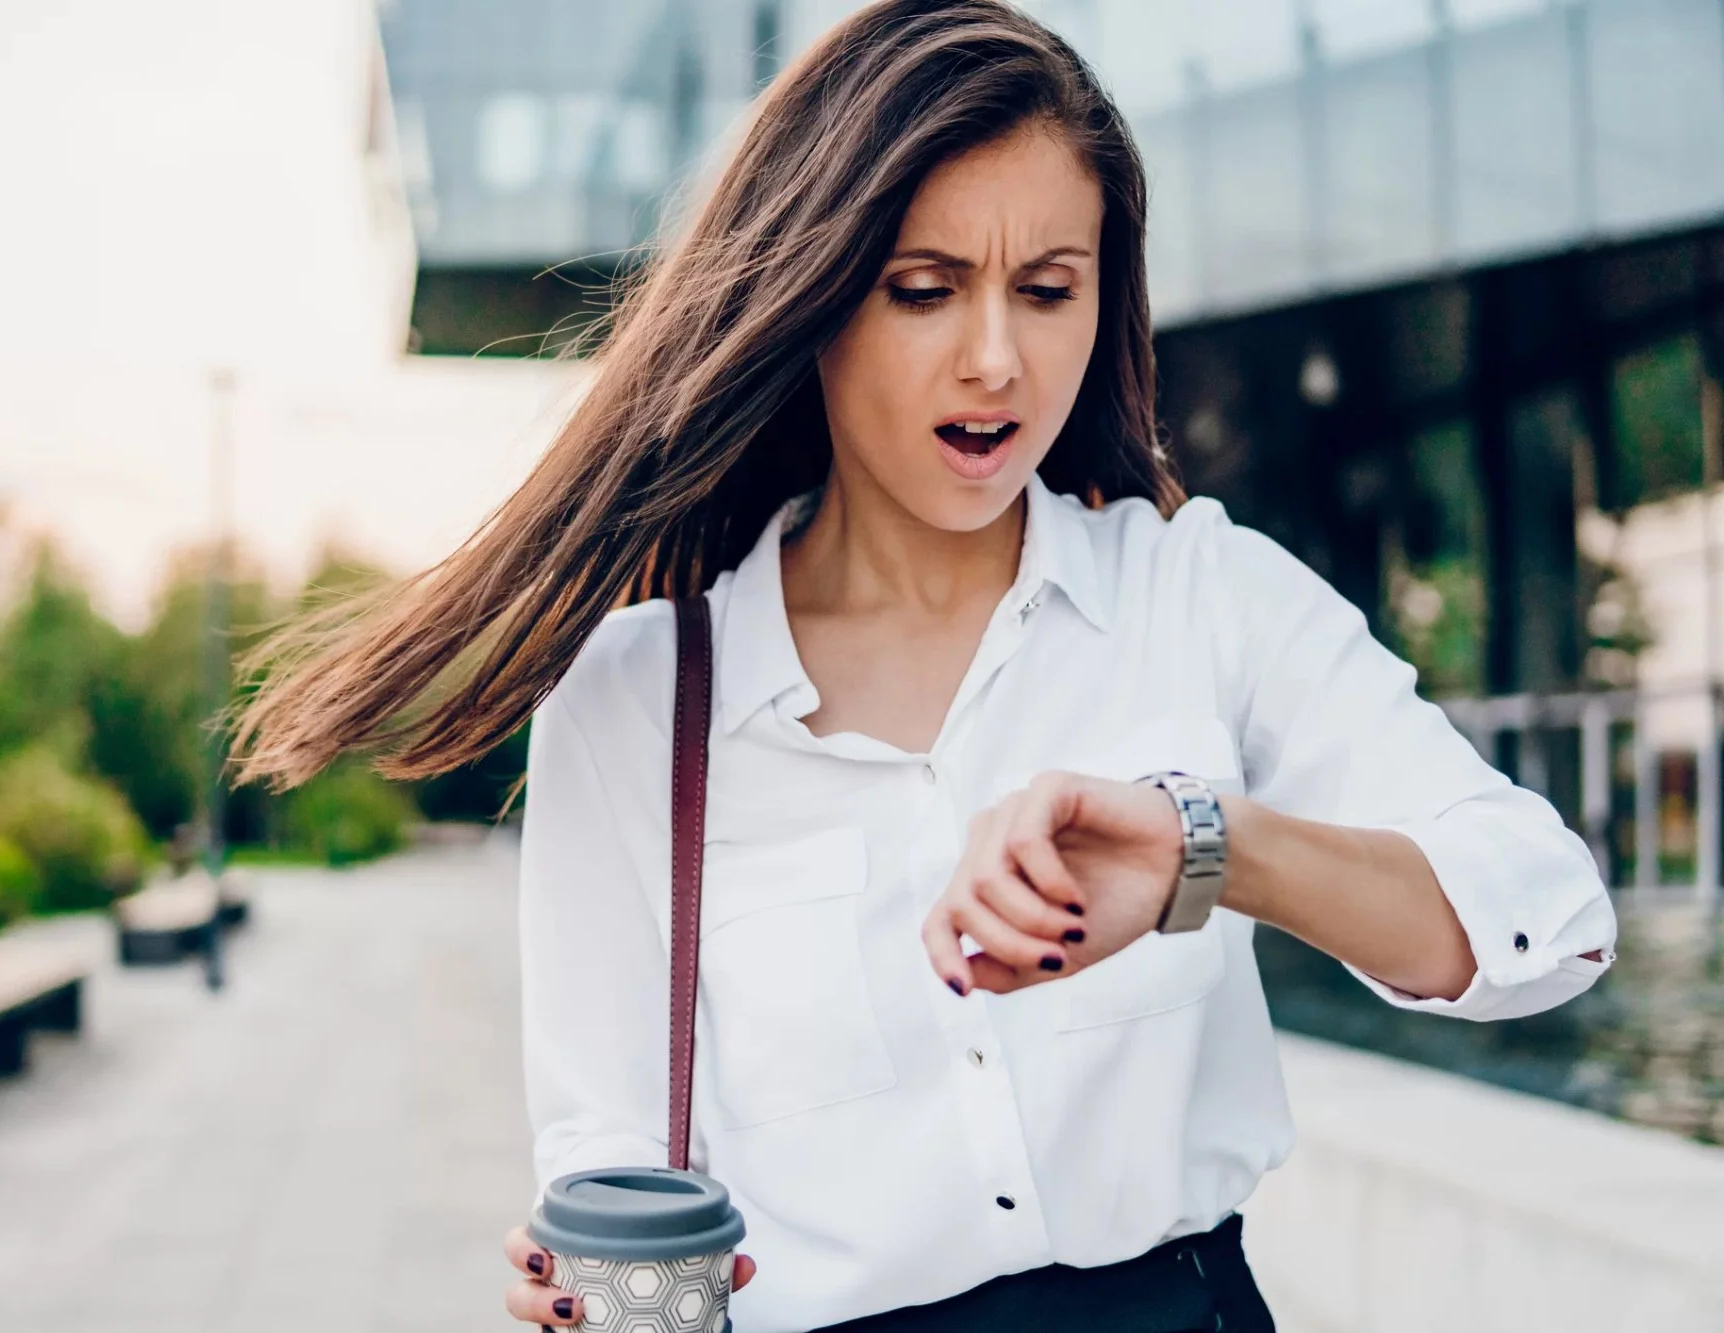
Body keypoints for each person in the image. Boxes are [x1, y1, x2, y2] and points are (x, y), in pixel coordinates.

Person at [233, 3, 1617, 1329]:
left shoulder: (1204, 596)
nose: (997, 360)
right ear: (816, 297)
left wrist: (1211, 849)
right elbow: (607, 1157)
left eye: (1048, 290)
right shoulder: (635, 702)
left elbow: (1546, 926)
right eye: (923, 289)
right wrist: (582, 1273)